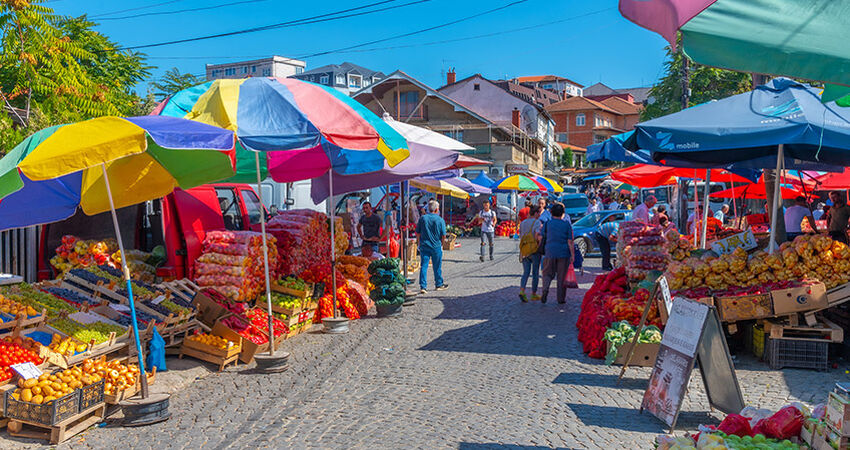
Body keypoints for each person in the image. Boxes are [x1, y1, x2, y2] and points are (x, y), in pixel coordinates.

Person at [538, 203, 575, 304]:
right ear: (562, 213)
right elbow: (570, 241)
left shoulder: (547, 224)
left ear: (551, 212)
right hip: (564, 253)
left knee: (547, 274)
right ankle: (560, 299)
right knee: (561, 277)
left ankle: (545, 289)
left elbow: (541, 237)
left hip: (549, 252)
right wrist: (572, 255)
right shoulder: (566, 224)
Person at [416, 200, 448, 294]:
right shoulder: (440, 220)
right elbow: (443, 235)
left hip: (424, 246)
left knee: (424, 266)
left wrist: (419, 244)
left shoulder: (423, 219)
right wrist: (441, 244)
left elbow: (417, 233)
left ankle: (423, 286)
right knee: (437, 266)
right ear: (437, 209)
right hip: (436, 246)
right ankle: (438, 284)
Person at [518, 205, 543, 302]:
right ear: (536, 213)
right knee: (535, 272)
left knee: (526, 272)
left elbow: (521, 235)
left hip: (524, 250)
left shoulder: (523, 223)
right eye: (539, 213)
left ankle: (522, 291)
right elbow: (537, 235)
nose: (540, 215)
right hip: (534, 250)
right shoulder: (537, 222)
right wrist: (540, 244)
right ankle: (533, 293)